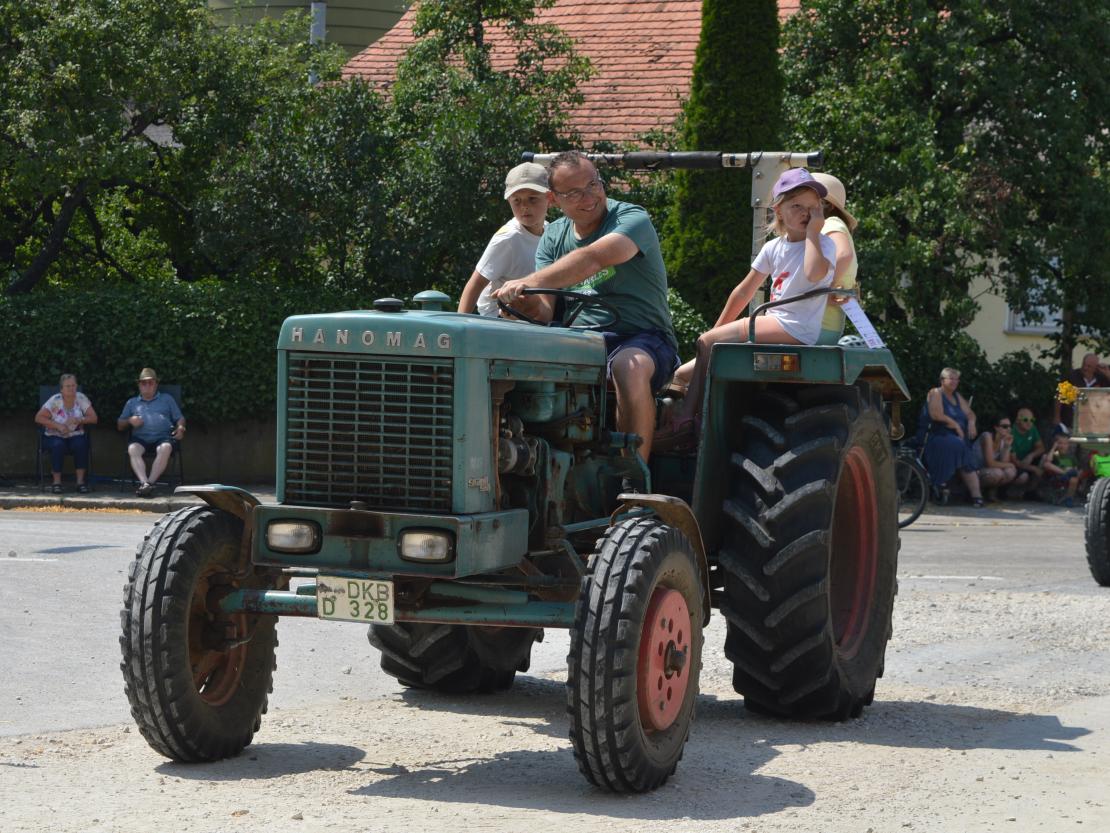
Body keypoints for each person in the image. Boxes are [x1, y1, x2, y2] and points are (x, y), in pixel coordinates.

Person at [491, 151, 678, 462]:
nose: (589, 196)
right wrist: (519, 303)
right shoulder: (553, 236)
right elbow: (545, 311)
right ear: (554, 199)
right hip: (580, 341)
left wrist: (529, 280)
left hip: (641, 337)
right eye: (574, 192)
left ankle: (632, 483)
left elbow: (594, 258)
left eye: (594, 184)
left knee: (628, 367)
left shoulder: (632, 219)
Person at [660, 167, 836, 446]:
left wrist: (814, 233)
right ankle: (677, 424)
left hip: (795, 326)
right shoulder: (773, 248)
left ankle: (688, 421)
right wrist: (715, 333)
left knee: (708, 344)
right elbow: (743, 291)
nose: (806, 213)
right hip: (773, 322)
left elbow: (815, 274)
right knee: (683, 372)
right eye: (797, 206)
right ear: (778, 210)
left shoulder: (823, 245)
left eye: (814, 208)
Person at [458, 162, 550, 316]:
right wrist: (459, 327)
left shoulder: (550, 231)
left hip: (531, 314)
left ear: (550, 198)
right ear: (509, 202)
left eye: (532, 199)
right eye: (517, 201)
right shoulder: (508, 238)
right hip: (499, 319)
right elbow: (476, 283)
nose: (524, 207)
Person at [117, 367, 185, 497]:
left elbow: (180, 418)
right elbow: (120, 425)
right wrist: (130, 420)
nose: (147, 385)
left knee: (166, 448)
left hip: (163, 437)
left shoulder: (167, 399)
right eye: (144, 382)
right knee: (133, 448)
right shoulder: (132, 402)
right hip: (140, 439)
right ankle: (145, 483)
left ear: (156, 384)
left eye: (150, 382)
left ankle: (149, 483)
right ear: (139, 385)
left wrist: (181, 428)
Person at [922, 367, 985, 507]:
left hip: (958, 438)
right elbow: (936, 414)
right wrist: (956, 425)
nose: (954, 381)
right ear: (942, 380)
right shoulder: (935, 393)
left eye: (956, 379)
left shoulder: (957, 396)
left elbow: (970, 413)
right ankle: (939, 483)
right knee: (959, 446)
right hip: (938, 436)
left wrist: (971, 422)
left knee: (961, 446)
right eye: (951, 378)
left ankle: (976, 496)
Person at [811, 172, 859, 345]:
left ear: (827, 205)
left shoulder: (830, 223)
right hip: (822, 326)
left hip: (814, 326)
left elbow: (844, 255)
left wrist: (824, 289)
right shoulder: (825, 228)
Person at [34, 373, 98, 494]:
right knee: (58, 445)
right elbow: (38, 418)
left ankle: (80, 482)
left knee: (81, 444)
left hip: (75, 434)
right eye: (67, 386)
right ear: (61, 389)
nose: (71, 388)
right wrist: (58, 426)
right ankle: (56, 482)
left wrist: (80, 419)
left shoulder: (81, 398)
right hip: (54, 435)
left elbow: (94, 418)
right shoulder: (55, 401)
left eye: (73, 385)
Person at [1054, 352, 1110, 431]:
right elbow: (1059, 396)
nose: (1085, 368)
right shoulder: (1072, 377)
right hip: (1071, 421)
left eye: (1089, 366)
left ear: (1095, 368)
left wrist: (1107, 373)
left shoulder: (1101, 379)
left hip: (1094, 423)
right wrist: (1057, 418)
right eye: (1084, 364)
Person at [973, 415, 1022, 502]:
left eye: (1009, 426)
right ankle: (974, 491)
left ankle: (991, 493)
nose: (1008, 429)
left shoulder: (1003, 440)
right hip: (974, 472)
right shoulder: (987, 436)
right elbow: (990, 463)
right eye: (1004, 426)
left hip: (987, 471)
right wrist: (1010, 464)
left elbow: (1003, 463)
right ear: (996, 428)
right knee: (998, 473)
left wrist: (1007, 446)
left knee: (1010, 472)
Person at [1010, 406, 1045, 498]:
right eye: (1025, 420)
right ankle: (1009, 490)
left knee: (1045, 458)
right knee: (1023, 477)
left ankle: (1031, 491)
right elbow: (1014, 461)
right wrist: (1033, 468)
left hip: (1027, 461)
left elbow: (1041, 448)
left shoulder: (1032, 429)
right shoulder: (1011, 432)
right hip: (1013, 465)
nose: (1029, 423)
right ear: (1018, 420)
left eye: (1032, 420)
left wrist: (1031, 455)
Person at [1041, 428, 1081, 507]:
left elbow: (1076, 469)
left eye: (1065, 443)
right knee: (1046, 464)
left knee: (1074, 479)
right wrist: (1053, 448)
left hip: (1069, 476)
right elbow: (1048, 461)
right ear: (1056, 444)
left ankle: (1069, 498)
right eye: (1060, 443)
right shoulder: (1055, 455)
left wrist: (1070, 469)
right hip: (1057, 475)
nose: (1063, 446)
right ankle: (1064, 472)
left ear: (1068, 445)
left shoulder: (1071, 457)